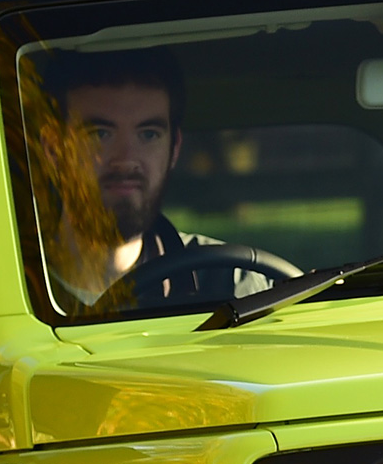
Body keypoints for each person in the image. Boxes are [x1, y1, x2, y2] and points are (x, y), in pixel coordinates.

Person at [40, 47, 279, 316]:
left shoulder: (237, 288)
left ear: (174, 149)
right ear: (53, 149)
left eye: (148, 134)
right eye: (100, 134)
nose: (126, 160)